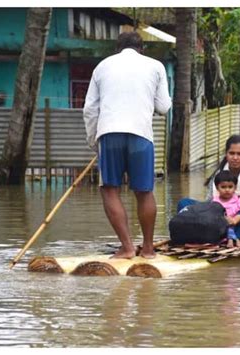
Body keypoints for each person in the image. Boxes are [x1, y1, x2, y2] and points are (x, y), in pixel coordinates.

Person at [83, 32, 172, 259]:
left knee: (109, 189)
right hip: (141, 134)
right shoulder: (156, 66)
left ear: (117, 48)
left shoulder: (102, 67)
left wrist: (94, 141)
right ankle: (149, 249)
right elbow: (163, 107)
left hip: (109, 133)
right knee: (144, 191)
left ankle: (127, 247)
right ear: (141, 48)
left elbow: (90, 110)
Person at [177, 134, 240, 247]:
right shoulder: (218, 173)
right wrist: (223, 218)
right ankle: (215, 237)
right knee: (184, 203)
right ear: (226, 154)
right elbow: (210, 201)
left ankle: (239, 237)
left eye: (239, 154)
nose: (235, 157)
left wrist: (235, 220)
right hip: (219, 221)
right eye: (232, 153)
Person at [212, 170, 240, 248]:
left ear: (235, 187)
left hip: (236, 223)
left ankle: (232, 240)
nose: (227, 190)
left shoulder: (238, 199)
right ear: (217, 188)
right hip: (222, 224)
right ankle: (234, 240)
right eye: (223, 187)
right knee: (227, 225)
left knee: (230, 225)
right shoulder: (215, 201)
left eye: (230, 187)